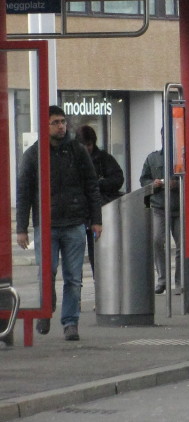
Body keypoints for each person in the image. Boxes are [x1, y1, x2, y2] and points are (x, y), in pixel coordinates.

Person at [15, 105, 102, 341]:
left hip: (74, 222)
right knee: (47, 272)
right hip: (46, 224)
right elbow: (23, 192)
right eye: (56, 122)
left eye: (63, 121)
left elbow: (91, 185)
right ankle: (46, 308)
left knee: (74, 277)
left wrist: (96, 220)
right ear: (45, 125)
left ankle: (70, 322)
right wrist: (21, 228)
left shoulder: (76, 150)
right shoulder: (34, 154)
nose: (61, 126)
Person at [77, 125, 124, 278]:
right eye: (84, 145)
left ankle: (102, 282)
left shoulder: (104, 159)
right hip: (79, 212)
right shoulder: (73, 158)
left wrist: (97, 184)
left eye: (89, 145)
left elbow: (118, 179)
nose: (86, 148)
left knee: (97, 252)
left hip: (99, 211)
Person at [140, 140, 181, 295]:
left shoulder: (181, 158)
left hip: (178, 207)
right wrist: (153, 183)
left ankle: (179, 282)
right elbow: (143, 179)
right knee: (157, 240)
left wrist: (176, 184)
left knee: (181, 245)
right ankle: (162, 279)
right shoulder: (153, 158)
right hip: (159, 206)